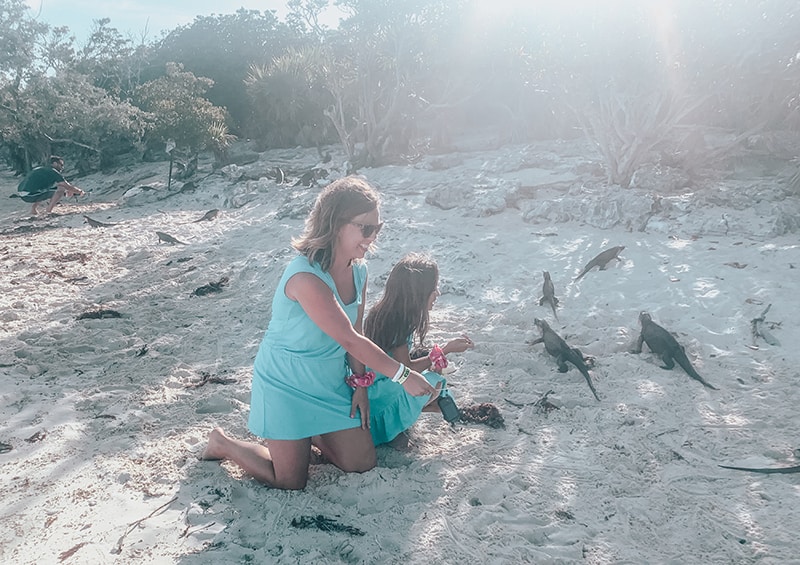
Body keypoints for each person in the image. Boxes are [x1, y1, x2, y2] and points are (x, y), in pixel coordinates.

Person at [202, 177, 437, 490]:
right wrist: (403, 375)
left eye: (377, 229)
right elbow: (349, 339)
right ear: (335, 223)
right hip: (286, 382)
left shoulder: (359, 270)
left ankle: (307, 434)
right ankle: (223, 443)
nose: (372, 237)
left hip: (329, 380)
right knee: (289, 482)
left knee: (361, 464)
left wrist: (360, 385)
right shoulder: (305, 277)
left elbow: (357, 329)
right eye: (365, 228)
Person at [363, 253, 474, 447]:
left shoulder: (384, 313)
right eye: (434, 288)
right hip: (379, 394)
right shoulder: (398, 321)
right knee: (437, 382)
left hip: (374, 386)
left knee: (431, 379)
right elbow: (405, 370)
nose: (437, 293)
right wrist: (444, 350)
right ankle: (394, 430)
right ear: (419, 293)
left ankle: (398, 428)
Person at [17, 155, 85, 215]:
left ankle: (33, 209)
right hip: (30, 195)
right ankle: (48, 211)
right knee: (61, 190)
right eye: (61, 165)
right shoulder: (53, 172)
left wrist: (68, 191)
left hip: (23, 194)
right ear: (55, 163)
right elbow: (65, 185)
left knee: (46, 190)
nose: (62, 167)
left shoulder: (41, 169)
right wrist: (79, 192)